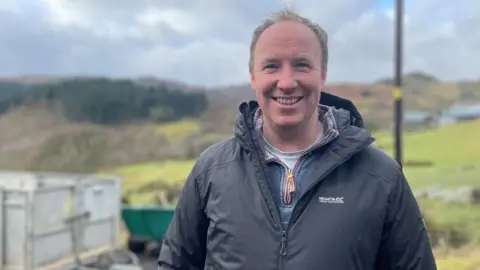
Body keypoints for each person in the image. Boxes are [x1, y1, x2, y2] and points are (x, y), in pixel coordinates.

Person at [158, 8, 437, 270]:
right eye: (271, 66)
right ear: (253, 76)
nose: (287, 81)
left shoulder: (381, 177)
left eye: (302, 65)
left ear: (323, 75)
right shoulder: (210, 172)